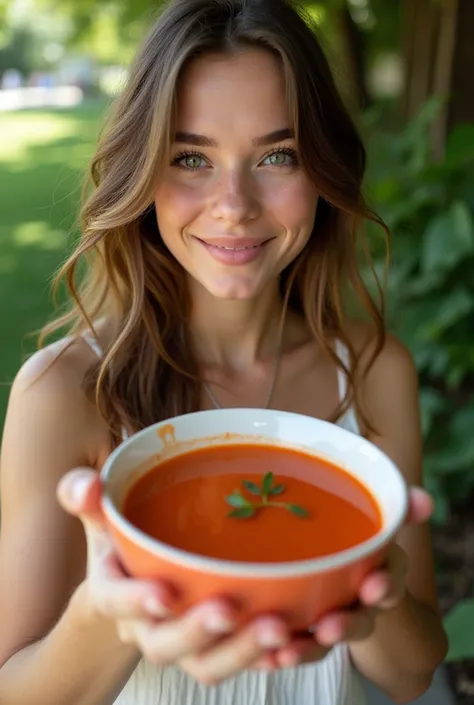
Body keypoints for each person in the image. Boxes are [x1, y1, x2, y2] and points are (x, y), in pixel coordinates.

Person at [0, 0, 448, 703]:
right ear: (142, 173)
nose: (233, 204)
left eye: (277, 155)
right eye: (191, 157)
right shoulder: (62, 394)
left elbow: (415, 670)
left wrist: (373, 583)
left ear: (323, 170)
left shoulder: (372, 371)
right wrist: (105, 612)